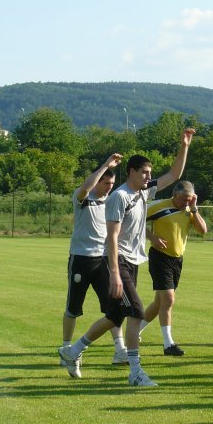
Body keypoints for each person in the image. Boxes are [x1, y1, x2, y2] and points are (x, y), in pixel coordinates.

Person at [59, 129, 196, 386]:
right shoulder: (119, 197)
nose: (148, 177)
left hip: (133, 261)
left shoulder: (143, 192)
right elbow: (111, 238)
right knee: (135, 311)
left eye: (149, 173)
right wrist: (113, 273)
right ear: (131, 172)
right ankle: (135, 371)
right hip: (118, 261)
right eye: (144, 172)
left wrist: (184, 146)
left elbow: (174, 175)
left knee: (115, 316)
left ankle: (72, 351)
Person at [61, 153, 128, 367]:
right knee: (73, 308)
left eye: (112, 183)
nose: (110, 187)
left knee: (113, 307)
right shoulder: (82, 198)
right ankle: (66, 348)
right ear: (98, 181)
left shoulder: (110, 203)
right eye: (106, 182)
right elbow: (86, 187)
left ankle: (120, 350)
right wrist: (105, 165)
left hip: (103, 261)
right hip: (81, 259)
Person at [139, 180, 207, 356]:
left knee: (159, 302)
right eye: (183, 199)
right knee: (168, 300)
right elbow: (136, 220)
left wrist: (194, 208)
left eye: (189, 199)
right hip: (160, 257)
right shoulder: (160, 206)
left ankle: (135, 330)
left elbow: (203, 230)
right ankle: (168, 344)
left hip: (177, 260)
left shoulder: (189, 209)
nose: (185, 202)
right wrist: (152, 238)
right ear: (174, 196)